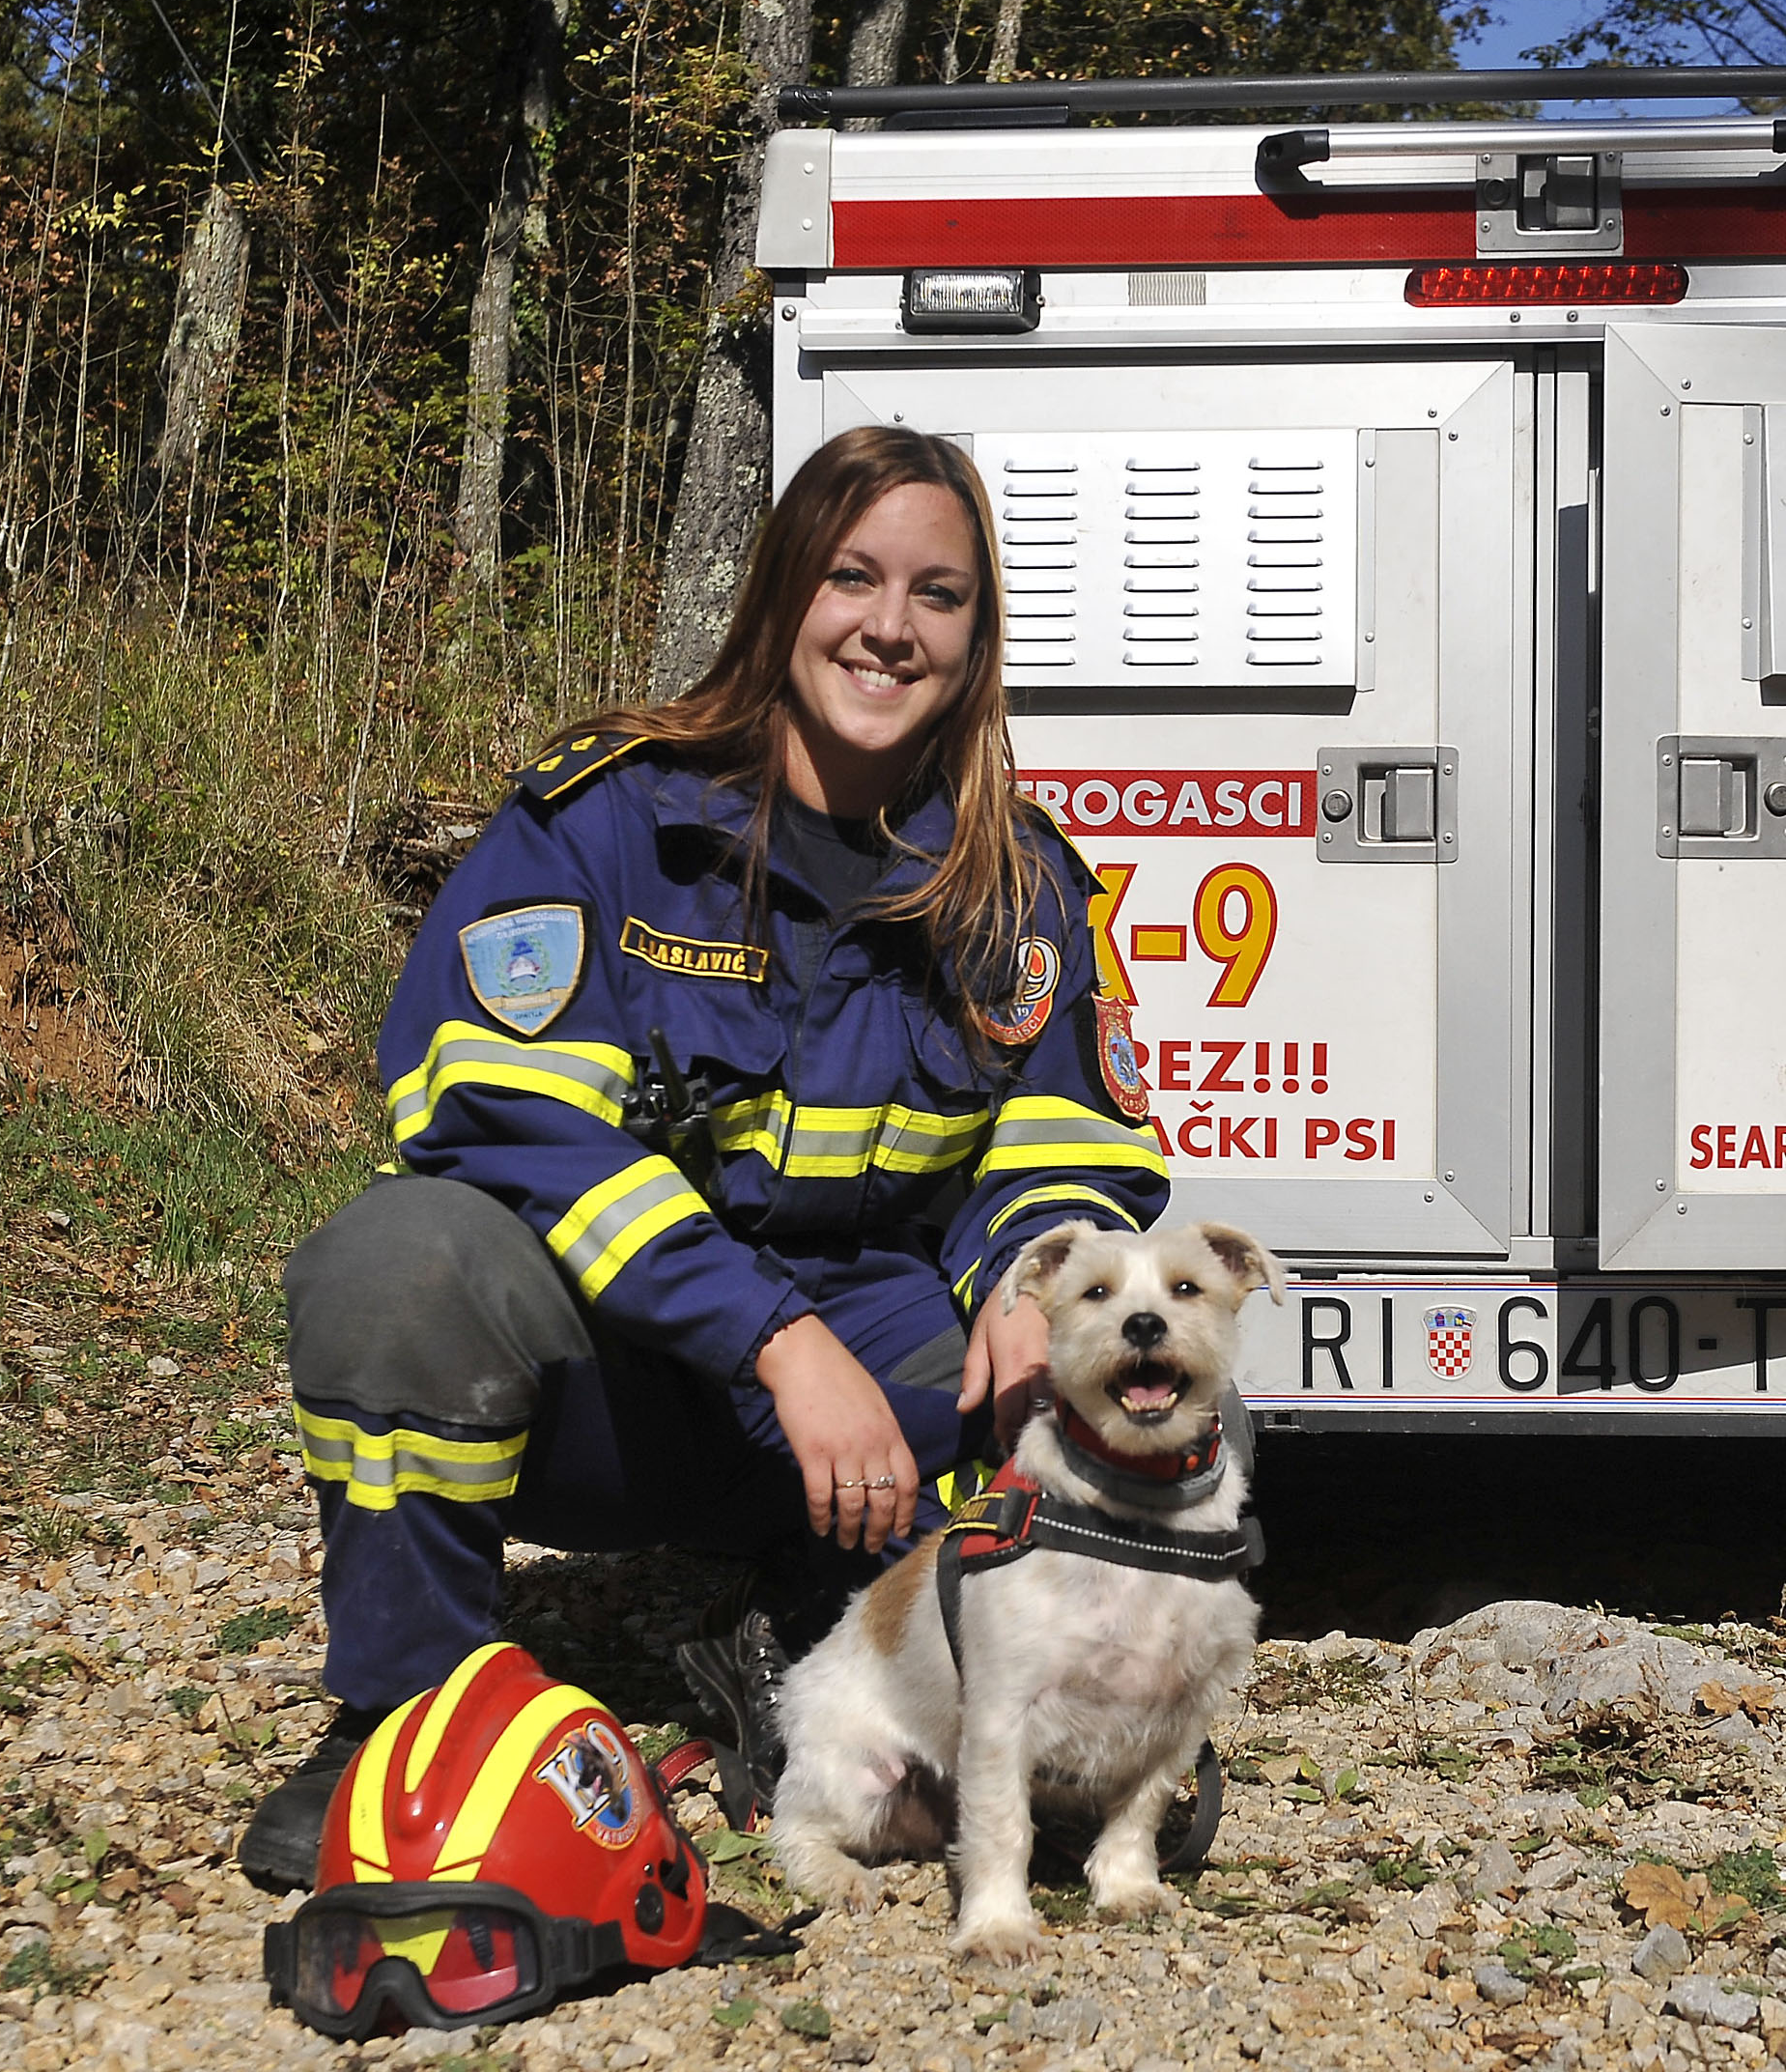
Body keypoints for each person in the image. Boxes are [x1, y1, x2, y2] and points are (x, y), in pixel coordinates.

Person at [238, 427, 1171, 1889]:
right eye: (852, 577)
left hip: (882, 1413)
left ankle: (915, 1657)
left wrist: (1036, 1287)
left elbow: (1067, 1142)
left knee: (1092, 1364)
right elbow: (496, 1110)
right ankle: (403, 1720)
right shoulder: (610, 820)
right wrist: (774, 1339)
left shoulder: (1018, 884)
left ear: (977, 636)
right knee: (397, 1263)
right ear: (784, 589)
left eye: (938, 594)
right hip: (622, 1389)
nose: (888, 626)